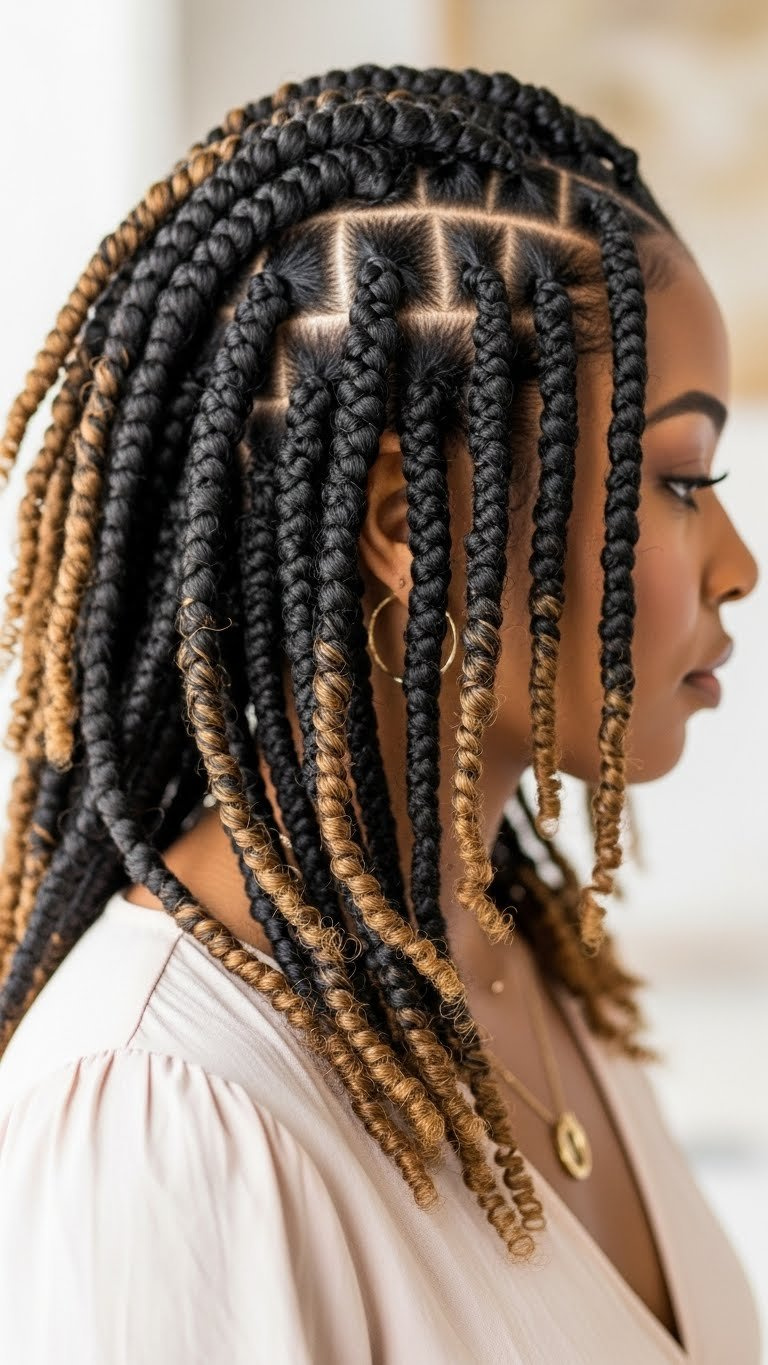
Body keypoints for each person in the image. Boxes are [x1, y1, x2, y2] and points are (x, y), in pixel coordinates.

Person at [0, 63, 761, 1363]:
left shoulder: (508, 953)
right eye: (681, 480)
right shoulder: (169, 1112)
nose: (736, 559)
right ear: (415, 525)